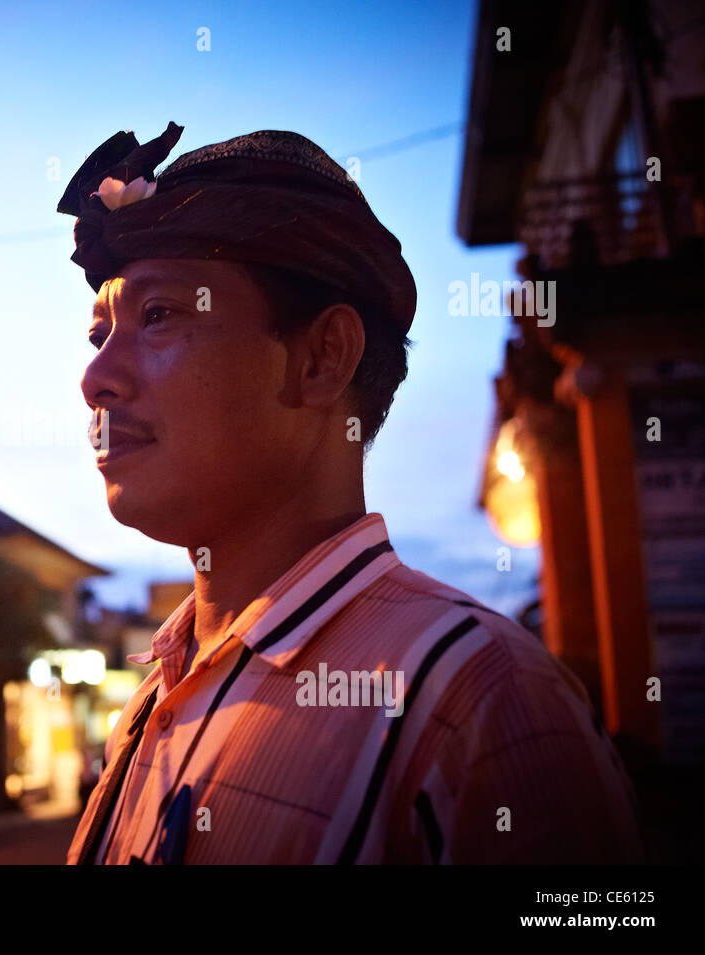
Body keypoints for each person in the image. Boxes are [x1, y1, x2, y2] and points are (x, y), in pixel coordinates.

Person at [58, 122, 645, 864]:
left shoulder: (482, 703)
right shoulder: (146, 711)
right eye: (98, 333)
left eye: (159, 315)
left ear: (321, 358)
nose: (95, 377)